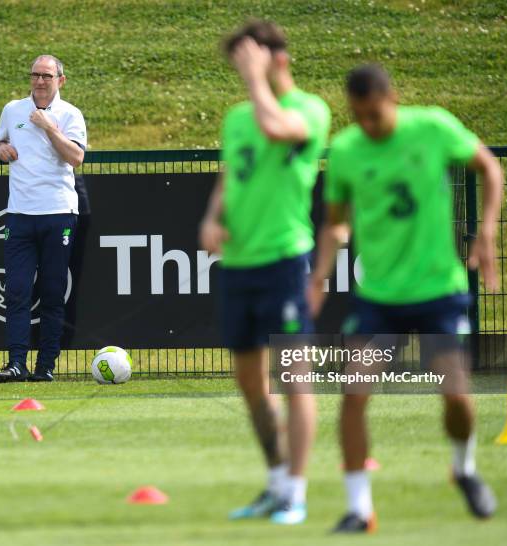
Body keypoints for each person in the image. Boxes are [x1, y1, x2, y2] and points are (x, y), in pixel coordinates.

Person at [308, 63, 501, 533]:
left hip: (439, 291)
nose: (367, 126)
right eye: (357, 117)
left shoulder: (432, 127)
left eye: (373, 115)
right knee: (354, 392)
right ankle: (360, 509)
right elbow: (336, 221)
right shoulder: (349, 152)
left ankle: (464, 469)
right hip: (379, 298)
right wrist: (319, 275)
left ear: (391, 98)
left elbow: (490, 168)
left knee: (455, 395)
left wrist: (487, 231)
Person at [199, 20, 330, 524]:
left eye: (247, 60)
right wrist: (212, 217)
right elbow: (231, 174)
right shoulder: (236, 119)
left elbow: (278, 128)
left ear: (276, 57)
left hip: (283, 260)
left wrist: (257, 80)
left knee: (294, 378)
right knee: (251, 383)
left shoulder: (309, 108)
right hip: (238, 266)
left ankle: (296, 493)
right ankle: (276, 484)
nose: (240, 72)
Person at [0, 54, 87, 382]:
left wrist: (49, 128)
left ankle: (46, 365)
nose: (40, 81)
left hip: (58, 213)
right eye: (35, 75)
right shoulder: (12, 109)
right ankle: (16, 362)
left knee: (51, 291)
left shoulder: (70, 114)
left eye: (47, 75)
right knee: (17, 290)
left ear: (61, 79)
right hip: (19, 214)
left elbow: (76, 157)